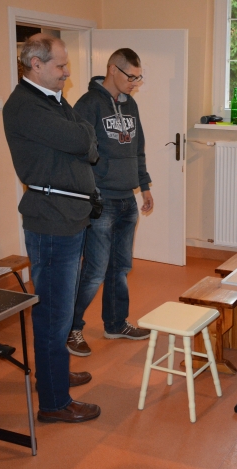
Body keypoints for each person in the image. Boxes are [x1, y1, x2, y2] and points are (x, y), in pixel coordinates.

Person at [2, 33, 101, 423]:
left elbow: (88, 143)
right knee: (54, 315)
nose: (67, 72)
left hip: (69, 218)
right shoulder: (25, 106)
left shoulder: (53, 100)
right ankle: (54, 402)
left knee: (61, 309)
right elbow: (80, 138)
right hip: (52, 222)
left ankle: (53, 374)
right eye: (60, 65)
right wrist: (84, 138)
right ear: (36, 64)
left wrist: (84, 138)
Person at [66, 48, 154, 357]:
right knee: (94, 270)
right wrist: (91, 188)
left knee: (120, 268)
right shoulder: (89, 104)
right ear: (113, 70)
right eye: (131, 76)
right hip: (101, 199)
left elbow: (138, 148)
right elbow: (78, 152)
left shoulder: (130, 104)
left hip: (127, 199)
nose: (135, 83)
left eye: (138, 77)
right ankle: (71, 328)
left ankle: (115, 324)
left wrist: (144, 185)